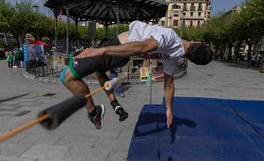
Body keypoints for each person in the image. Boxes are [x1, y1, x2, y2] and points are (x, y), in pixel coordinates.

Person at [61, 21, 213, 130]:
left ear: (197, 42)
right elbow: (169, 85)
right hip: (119, 54)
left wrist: (101, 51)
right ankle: (114, 104)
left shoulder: (170, 36)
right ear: (191, 60)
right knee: (99, 72)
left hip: (116, 50)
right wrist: (168, 110)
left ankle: (94, 112)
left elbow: (142, 46)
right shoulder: (175, 57)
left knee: (66, 78)